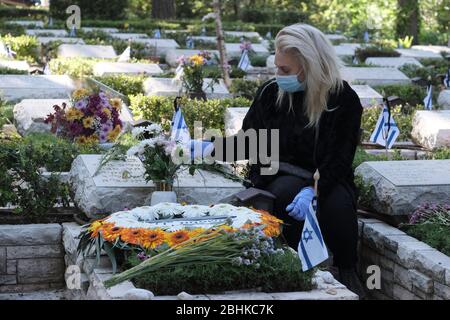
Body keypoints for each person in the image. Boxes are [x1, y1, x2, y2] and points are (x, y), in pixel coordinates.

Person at [191, 23, 366, 298]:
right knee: (284, 193)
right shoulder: (271, 94)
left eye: (285, 70)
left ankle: (347, 271)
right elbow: (250, 141)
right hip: (279, 176)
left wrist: (313, 190)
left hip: (327, 177)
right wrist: (208, 148)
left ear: (310, 65)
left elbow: (340, 157)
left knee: (337, 206)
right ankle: (293, 270)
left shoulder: (343, 99)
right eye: (277, 67)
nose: (278, 75)